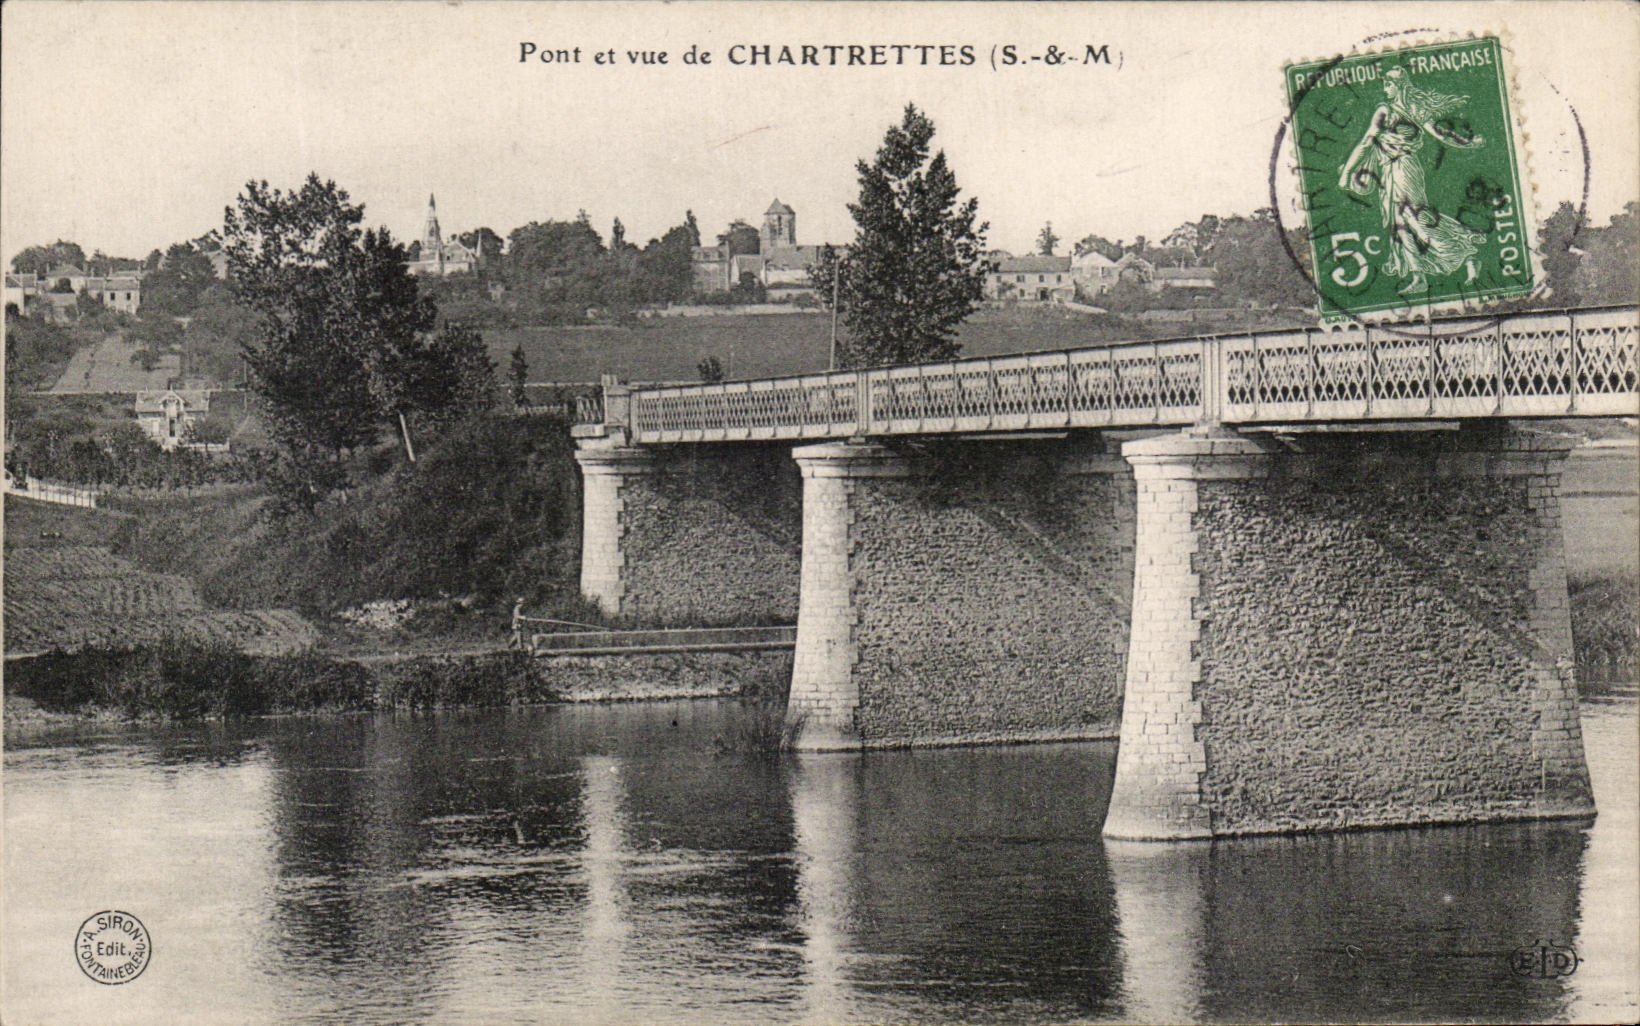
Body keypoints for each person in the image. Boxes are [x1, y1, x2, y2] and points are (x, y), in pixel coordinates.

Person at [1337, 66, 1487, 296]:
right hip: (1390, 171)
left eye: (1389, 84)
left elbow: (1439, 134)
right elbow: (1369, 141)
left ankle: (1465, 254)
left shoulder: (1393, 111)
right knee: (1401, 224)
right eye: (1385, 84)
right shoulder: (1397, 110)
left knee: (1414, 219)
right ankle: (1420, 276)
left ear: (1400, 86)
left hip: (1404, 169)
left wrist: (1347, 173)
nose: (1385, 89)